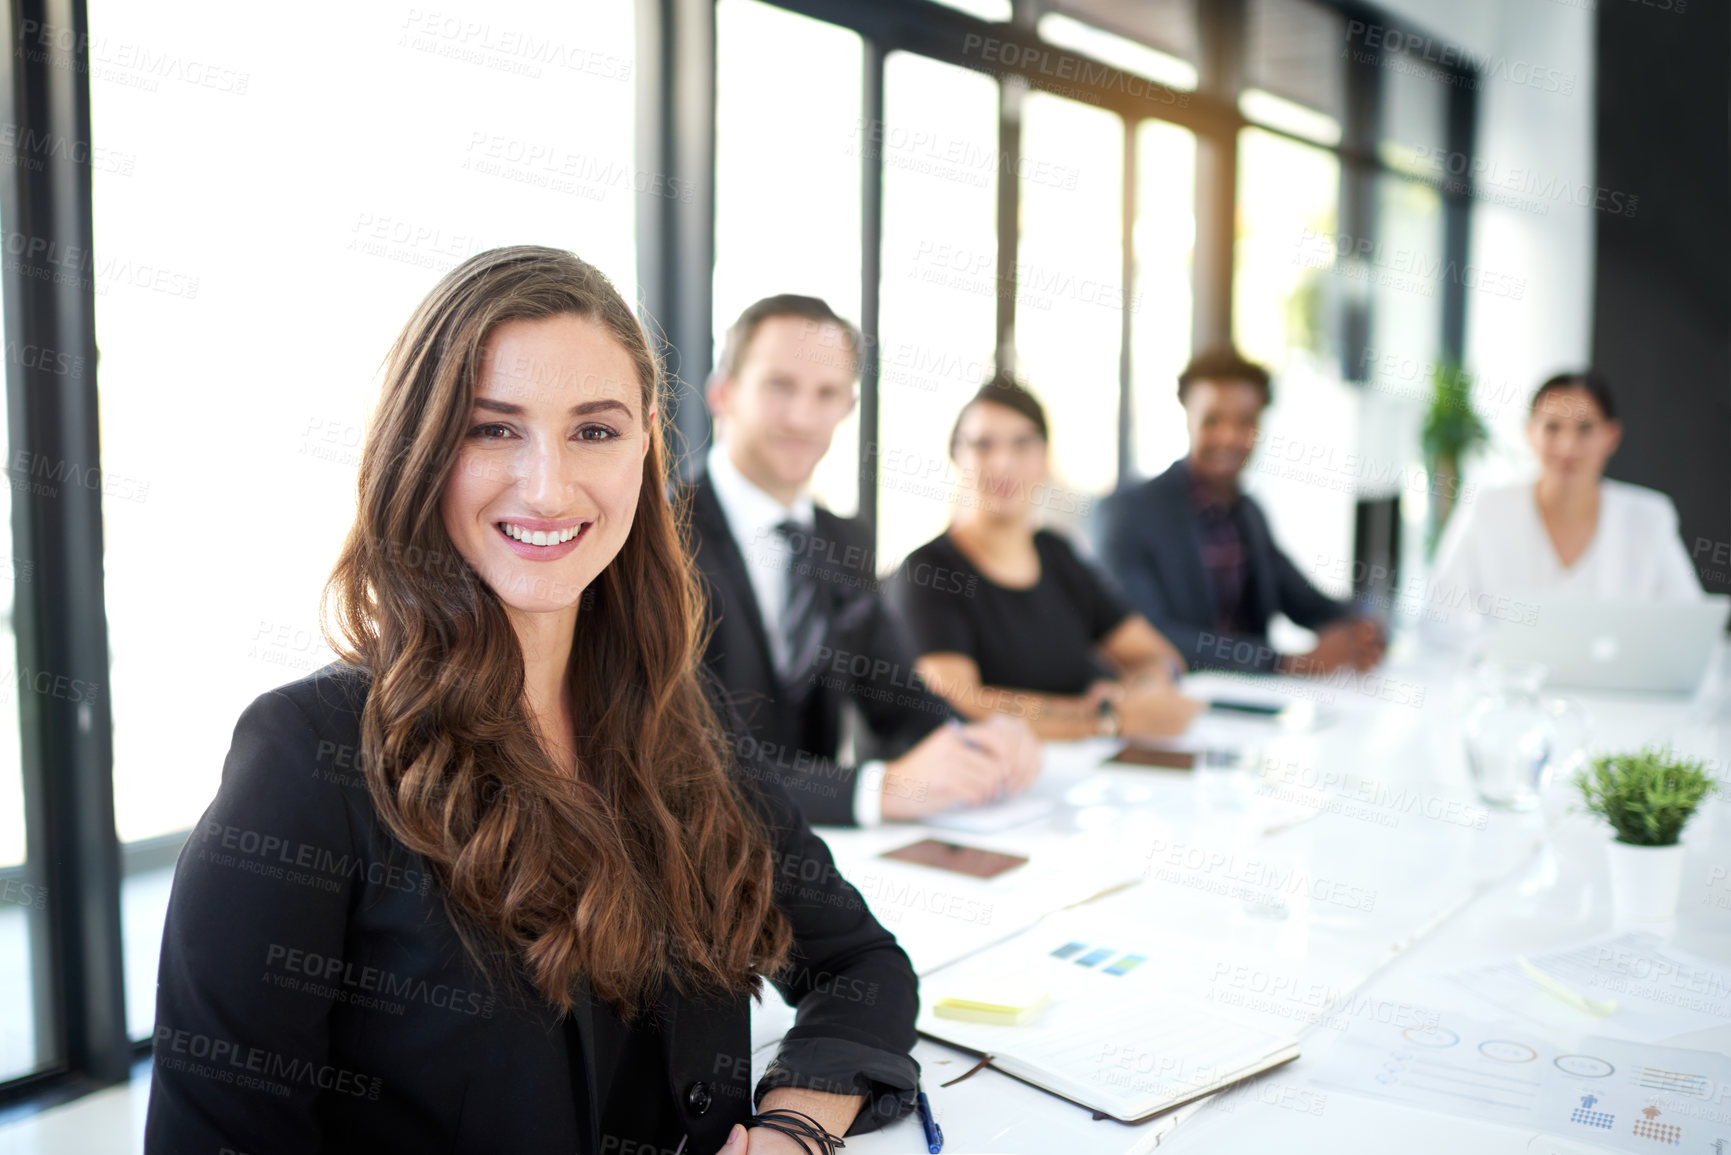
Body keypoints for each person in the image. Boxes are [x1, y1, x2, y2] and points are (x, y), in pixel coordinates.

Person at [145, 248, 921, 1155]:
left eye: (594, 430)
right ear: (420, 452)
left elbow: (861, 963)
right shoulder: (307, 756)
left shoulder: (680, 717)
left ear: (644, 452)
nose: (548, 485)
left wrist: (795, 1124)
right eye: (492, 429)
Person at [679, 295, 1040, 826]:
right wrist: (874, 792)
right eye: (780, 386)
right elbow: (675, 758)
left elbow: (894, 692)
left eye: (827, 394)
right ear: (723, 393)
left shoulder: (841, 539)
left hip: (819, 864)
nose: (803, 417)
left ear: (847, 409)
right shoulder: (657, 536)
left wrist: (976, 741)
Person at [888, 374, 1204, 741]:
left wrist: (1143, 691)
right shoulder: (928, 571)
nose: (1004, 462)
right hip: (986, 788)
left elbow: (1156, 654)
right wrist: (1102, 719)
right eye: (984, 445)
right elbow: (959, 701)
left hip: (1073, 775)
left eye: (1022, 444)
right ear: (957, 456)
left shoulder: (1057, 555)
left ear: (1043, 457)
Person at [1098, 347, 1385, 675]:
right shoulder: (1129, 513)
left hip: (1253, 706)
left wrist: (1363, 629)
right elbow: (1145, 637)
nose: (1229, 437)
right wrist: (1285, 662)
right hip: (1175, 707)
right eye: (1212, 420)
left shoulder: (1248, 515)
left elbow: (1305, 601)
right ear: (1187, 417)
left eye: (1246, 422)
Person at [1428, 370, 1701, 620]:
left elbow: (1689, 623)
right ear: (1529, 432)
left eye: (1585, 429)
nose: (1568, 446)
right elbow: (1439, 615)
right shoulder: (1487, 508)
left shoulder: (1649, 518)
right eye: (1552, 427)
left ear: (1611, 436)